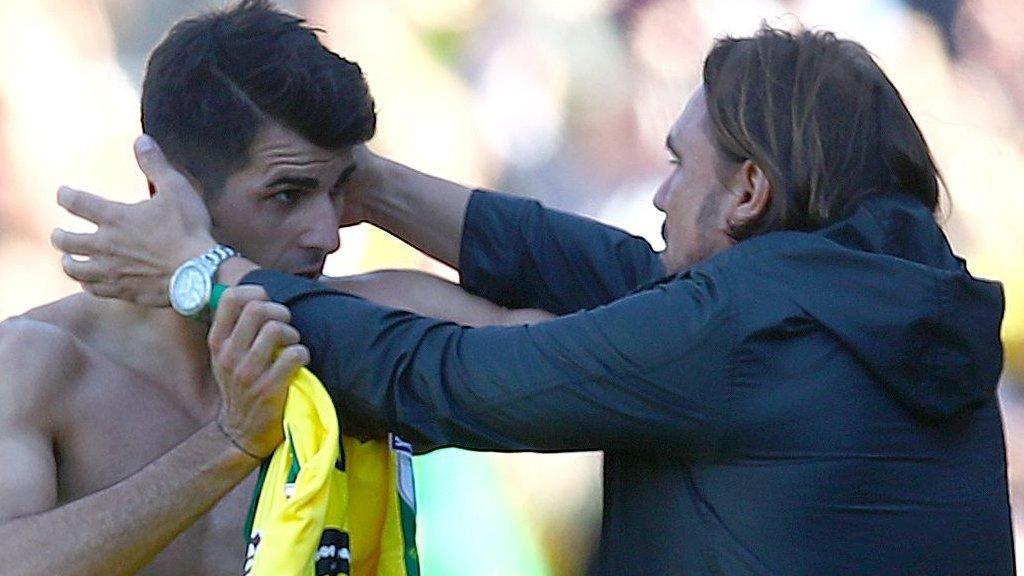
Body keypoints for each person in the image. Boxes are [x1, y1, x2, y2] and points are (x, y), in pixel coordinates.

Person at [55, 26, 1014, 575]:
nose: (659, 193)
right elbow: (606, 271)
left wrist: (203, 276)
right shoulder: (864, 298)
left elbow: (444, 378)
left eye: (681, 167)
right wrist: (368, 181)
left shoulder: (743, 330)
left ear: (752, 192)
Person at [1, 2, 545, 575]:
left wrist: (383, 186)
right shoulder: (42, 361)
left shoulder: (370, 323)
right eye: (287, 194)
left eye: (339, 188)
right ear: (173, 188)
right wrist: (229, 445)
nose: (328, 234)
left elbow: (607, 354)